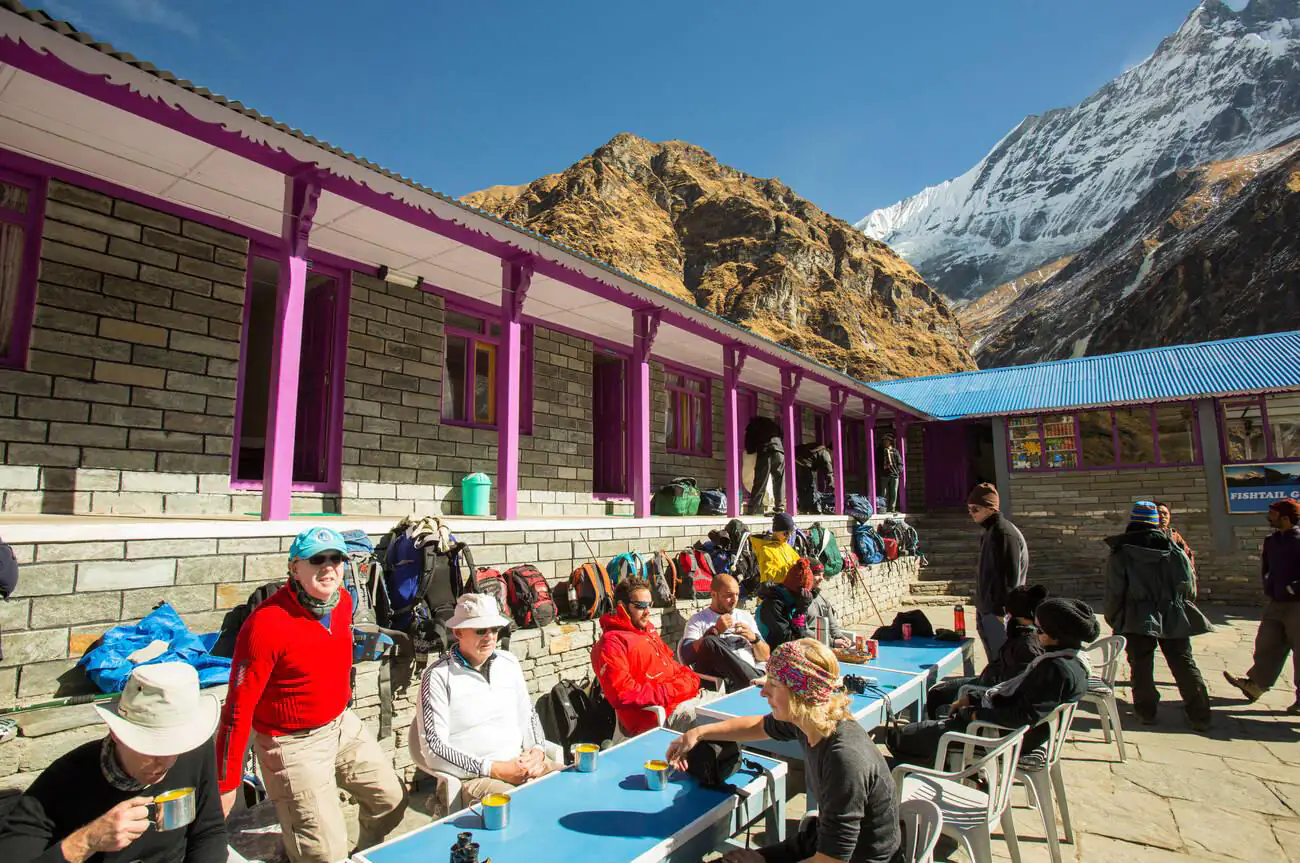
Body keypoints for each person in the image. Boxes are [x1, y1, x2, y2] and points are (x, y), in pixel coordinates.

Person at [214, 526, 407, 863]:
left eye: (337, 559)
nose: (329, 567)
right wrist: (226, 782)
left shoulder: (343, 602)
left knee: (390, 801)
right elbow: (236, 709)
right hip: (291, 743)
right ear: (294, 567)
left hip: (339, 725)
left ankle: (357, 855)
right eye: (318, 559)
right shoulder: (266, 625)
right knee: (323, 854)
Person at [666, 640, 902, 863]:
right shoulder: (808, 719)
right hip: (818, 843)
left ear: (801, 694)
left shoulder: (844, 758)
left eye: (774, 684)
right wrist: (697, 733)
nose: (763, 691)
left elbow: (831, 860)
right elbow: (757, 726)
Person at [0, 663, 227, 863]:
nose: (167, 762)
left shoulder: (194, 750)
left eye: (175, 747)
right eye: (154, 748)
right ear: (117, 733)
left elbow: (209, 831)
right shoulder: (63, 782)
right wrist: (86, 841)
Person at [888, 598, 1097, 767]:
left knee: (899, 737)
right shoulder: (1071, 661)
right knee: (925, 722)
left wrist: (973, 713)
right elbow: (1017, 695)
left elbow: (1021, 715)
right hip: (1005, 725)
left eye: (1041, 630)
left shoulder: (1055, 670)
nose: (1036, 634)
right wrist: (973, 698)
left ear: (1056, 635)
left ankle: (923, 777)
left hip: (1001, 736)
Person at [412, 594, 558, 808]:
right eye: (481, 630)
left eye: (495, 629)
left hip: (523, 763)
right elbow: (434, 749)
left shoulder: (508, 663)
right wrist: (494, 768)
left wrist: (536, 750)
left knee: (575, 784)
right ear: (458, 632)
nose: (490, 637)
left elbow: (528, 715)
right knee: (523, 805)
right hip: (476, 778)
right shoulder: (437, 676)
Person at [1104, 501, 1213, 731]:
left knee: (1141, 664)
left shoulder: (1122, 552)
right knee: (1183, 662)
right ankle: (1199, 713)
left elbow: (1115, 590)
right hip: (1172, 611)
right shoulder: (1174, 549)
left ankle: (1146, 711)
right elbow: (1189, 586)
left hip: (1136, 613)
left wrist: (1113, 616)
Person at [593, 576, 702, 736]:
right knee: (715, 726)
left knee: (728, 715)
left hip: (683, 700)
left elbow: (671, 664)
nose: (647, 612)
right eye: (640, 606)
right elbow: (622, 693)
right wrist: (673, 691)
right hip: (657, 716)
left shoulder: (647, 630)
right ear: (622, 607)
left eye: (649, 605)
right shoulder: (611, 643)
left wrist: (689, 678)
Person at [925, 584, 1048, 719]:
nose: (1004, 617)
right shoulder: (1028, 637)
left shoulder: (1025, 646)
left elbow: (1008, 690)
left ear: (1013, 615)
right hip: (988, 682)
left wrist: (971, 701)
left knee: (935, 694)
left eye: (1006, 613)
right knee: (938, 691)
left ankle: (938, 728)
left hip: (986, 688)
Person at [1224, 498, 1300, 714]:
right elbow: (1266, 568)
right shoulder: (1272, 540)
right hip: (1275, 603)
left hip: (1297, 604)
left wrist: (1292, 589)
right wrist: (1269, 586)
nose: (1269, 518)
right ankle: (1256, 685)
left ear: (1285, 517)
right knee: (1267, 643)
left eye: (1273, 514)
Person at [967, 482, 1029, 658]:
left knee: (1003, 660)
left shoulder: (1003, 533)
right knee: (995, 660)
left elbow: (1010, 578)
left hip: (999, 613)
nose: (971, 513)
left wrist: (1003, 612)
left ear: (990, 508)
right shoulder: (989, 532)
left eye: (975, 509)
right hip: (987, 608)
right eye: (969, 509)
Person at [757, 558, 817, 649]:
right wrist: (800, 612)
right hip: (771, 654)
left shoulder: (792, 602)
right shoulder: (773, 605)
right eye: (808, 593)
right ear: (800, 593)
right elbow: (787, 643)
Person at [806, 560, 853, 650]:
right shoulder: (800, 602)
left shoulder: (822, 600)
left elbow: (832, 625)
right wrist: (832, 642)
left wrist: (840, 637)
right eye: (818, 574)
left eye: (822, 575)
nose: (821, 578)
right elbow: (804, 632)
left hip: (825, 648)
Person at [745, 414, 786, 515]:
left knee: (761, 480)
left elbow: (749, 446)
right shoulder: (774, 425)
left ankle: (754, 507)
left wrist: (751, 451)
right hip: (779, 452)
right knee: (779, 480)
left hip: (765, 451)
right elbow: (781, 436)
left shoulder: (752, 426)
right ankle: (779, 508)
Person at [1155, 501, 1196, 573]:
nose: (1162, 516)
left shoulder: (1174, 535)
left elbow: (1187, 555)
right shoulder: (1145, 535)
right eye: (1158, 514)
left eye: (1165, 513)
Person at [795, 441, 834, 514]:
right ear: (831, 450)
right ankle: (813, 510)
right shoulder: (825, 453)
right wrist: (833, 487)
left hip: (796, 461)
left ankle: (804, 509)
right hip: (802, 463)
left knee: (803, 487)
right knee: (810, 487)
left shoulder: (820, 449)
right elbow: (828, 472)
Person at [880, 434, 902, 512]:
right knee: (884, 492)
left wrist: (898, 470)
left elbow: (900, 462)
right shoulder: (880, 451)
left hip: (894, 473)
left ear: (890, 442)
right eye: (884, 441)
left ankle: (892, 508)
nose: (885, 442)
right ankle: (883, 508)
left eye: (887, 441)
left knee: (894, 492)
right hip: (884, 474)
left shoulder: (895, 451)